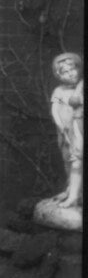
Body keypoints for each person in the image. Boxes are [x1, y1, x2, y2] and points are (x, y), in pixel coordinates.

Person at [50, 52, 83, 208]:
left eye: (72, 69)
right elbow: (55, 109)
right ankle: (70, 188)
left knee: (75, 159)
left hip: (77, 129)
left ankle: (75, 192)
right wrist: (59, 125)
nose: (70, 74)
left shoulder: (80, 88)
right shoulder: (59, 91)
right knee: (67, 159)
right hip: (64, 130)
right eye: (65, 72)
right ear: (58, 75)